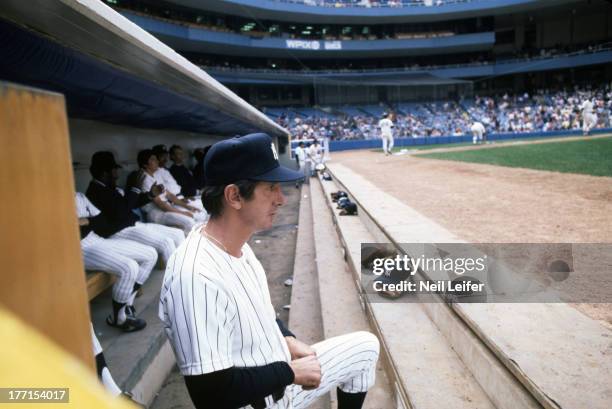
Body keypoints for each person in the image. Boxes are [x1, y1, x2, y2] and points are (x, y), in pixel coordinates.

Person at [159, 133, 380, 409]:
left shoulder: (238, 244)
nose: (281, 199)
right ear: (234, 195)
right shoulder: (195, 277)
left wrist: (286, 337)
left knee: (365, 349)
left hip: (278, 384)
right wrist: (290, 373)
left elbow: (261, 313)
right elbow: (209, 393)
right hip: (256, 400)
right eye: (271, 188)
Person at [86, 151, 185, 264]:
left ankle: (182, 269)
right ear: (104, 173)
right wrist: (135, 189)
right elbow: (121, 212)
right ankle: (176, 277)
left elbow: (129, 204)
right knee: (165, 243)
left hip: (131, 224)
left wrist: (150, 194)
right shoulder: (96, 191)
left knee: (178, 234)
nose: (117, 173)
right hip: (119, 229)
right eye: (114, 169)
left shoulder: (109, 186)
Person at [76, 192, 155, 331]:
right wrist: (88, 221)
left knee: (150, 254)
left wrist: (86, 221)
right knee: (129, 267)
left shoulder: (79, 196)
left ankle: (127, 304)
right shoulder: (51, 202)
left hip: (95, 239)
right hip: (78, 247)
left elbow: (101, 221)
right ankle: (119, 318)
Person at [136, 149, 204, 235]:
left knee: (197, 215)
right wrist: (182, 213)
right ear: (145, 164)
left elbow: (169, 195)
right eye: (153, 159)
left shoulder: (156, 175)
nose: (157, 161)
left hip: (166, 208)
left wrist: (187, 207)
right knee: (189, 222)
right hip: (156, 213)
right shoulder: (145, 179)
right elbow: (160, 204)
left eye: (156, 159)